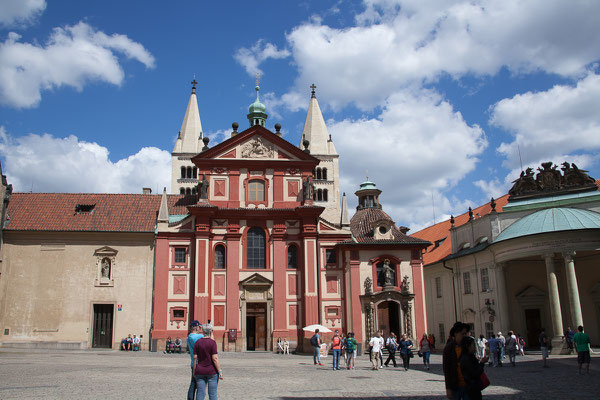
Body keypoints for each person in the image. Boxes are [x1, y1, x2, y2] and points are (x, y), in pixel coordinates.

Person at [443, 322, 472, 400]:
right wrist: (448, 388)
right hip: (455, 385)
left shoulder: (468, 346)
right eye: (463, 334)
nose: (464, 336)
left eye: (466, 334)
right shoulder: (449, 348)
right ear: (456, 333)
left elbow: (473, 366)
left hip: (468, 385)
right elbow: (446, 369)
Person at [193, 324, 222, 400]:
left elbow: (195, 358)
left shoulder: (197, 342)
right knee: (212, 394)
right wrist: (220, 371)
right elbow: (215, 358)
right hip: (211, 371)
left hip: (200, 371)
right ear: (211, 332)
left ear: (202, 331)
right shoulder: (212, 343)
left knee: (200, 393)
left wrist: (194, 370)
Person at [459, 335, 488, 400]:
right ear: (467, 346)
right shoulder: (466, 358)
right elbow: (475, 373)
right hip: (471, 388)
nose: (475, 347)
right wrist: (482, 363)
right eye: (473, 345)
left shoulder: (470, 356)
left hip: (474, 387)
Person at [187, 320, 204, 400]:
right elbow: (210, 341)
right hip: (199, 363)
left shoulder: (189, 337)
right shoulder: (199, 337)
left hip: (193, 363)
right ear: (196, 327)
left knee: (193, 384)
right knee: (200, 386)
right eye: (199, 327)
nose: (200, 328)